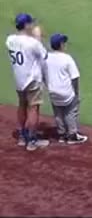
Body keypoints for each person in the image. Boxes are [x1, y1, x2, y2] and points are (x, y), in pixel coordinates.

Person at [7, 13, 49, 151]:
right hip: (32, 80)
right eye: (30, 23)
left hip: (19, 80)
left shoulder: (10, 40)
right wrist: (37, 38)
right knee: (33, 109)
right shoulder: (33, 43)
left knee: (22, 106)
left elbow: (24, 45)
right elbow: (45, 55)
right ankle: (32, 141)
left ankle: (21, 137)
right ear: (26, 25)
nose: (32, 25)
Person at [45, 33, 88, 145]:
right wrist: (76, 93)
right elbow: (75, 77)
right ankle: (72, 135)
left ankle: (61, 134)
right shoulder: (67, 58)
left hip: (52, 91)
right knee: (70, 112)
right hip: (66, 92)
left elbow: (43, 74)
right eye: (63, 42)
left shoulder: (47, 57)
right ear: (61, 45)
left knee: (58, 113)